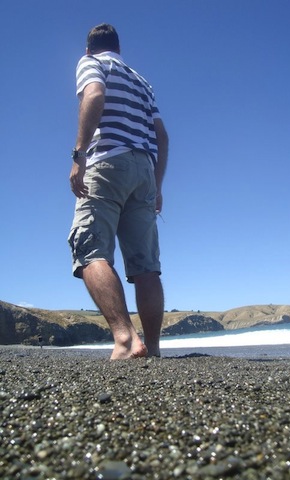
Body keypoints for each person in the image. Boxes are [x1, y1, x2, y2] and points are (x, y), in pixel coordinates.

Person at [68, 24, 168, 360]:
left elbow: (94, 95)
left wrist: (79, 155)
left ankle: (125, 340)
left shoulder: (91, 63)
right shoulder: (141, 81)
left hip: (108, 163)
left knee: (90, 249)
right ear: (119, 48)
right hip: (144, 171)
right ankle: (151, 348)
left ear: (88, 49)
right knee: (146, 266)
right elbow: (163, 136)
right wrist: (158, 185)